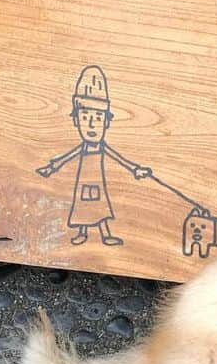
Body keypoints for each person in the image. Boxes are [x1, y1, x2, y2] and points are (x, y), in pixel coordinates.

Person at [36, 65, 151, 246]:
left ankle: (105, 235)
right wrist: (51, 167)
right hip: (84, 181)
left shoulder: (102, 146)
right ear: (75, 120)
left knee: (100, 207)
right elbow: (65, 157)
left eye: (97, 118)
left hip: (97, 181)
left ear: (106, 122)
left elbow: (120, 159)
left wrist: (136, 169)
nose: (90, 124)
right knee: (82, 206)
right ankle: (83, 232)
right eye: (85, 117)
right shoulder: (82, 147)